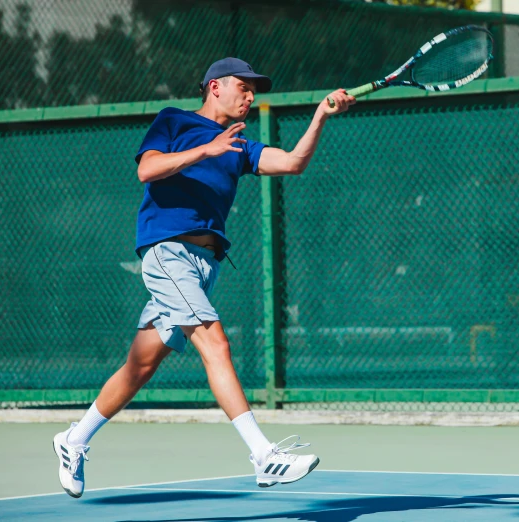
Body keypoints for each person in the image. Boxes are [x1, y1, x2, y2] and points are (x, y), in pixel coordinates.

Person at [52, 57, 355, 498]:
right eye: (243, 87)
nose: (251, 96)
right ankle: (263, 456)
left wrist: (320, 117)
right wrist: (204, 150)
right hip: (167, 252)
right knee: (216, 341)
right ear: (215, 86)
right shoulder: (173, 121)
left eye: (255, 90)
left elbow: (292, 162)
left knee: (140, 365)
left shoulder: (240, 145)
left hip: (204, 265)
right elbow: (147, 169)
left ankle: (73, 440)